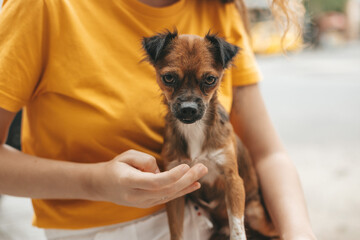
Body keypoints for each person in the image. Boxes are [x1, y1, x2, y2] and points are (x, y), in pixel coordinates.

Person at [0, 0, 317, 239]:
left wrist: (299, 232)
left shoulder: (219, 9)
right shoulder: (43, 7)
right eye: (169, 79)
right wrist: (95, 182)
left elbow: (267, 153)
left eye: (208, 81)